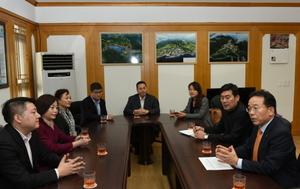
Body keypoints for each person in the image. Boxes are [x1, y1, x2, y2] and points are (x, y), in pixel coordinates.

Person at [215, 90, 300, 189]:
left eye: (256, 108)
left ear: (271, 111)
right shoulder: (258, 125)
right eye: (249, 109)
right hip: (260, 176)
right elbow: (248, 147)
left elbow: (269, 167)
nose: (251, 113)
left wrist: (237, 161)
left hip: (278, 183)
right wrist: (228, 152)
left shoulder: (281, 133)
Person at [0, 97, 86, 189]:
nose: (38, 115)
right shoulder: (4, 144)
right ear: (18, 118)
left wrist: (65, 163)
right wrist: (58, 172)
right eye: (33, 112)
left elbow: (44, 155)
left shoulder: (31, 132)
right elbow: (23, 180)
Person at [123, 81, 160, 155]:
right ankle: (137, 147)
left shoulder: (152, 98)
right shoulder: (132, 99)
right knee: (133, 134)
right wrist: (135, 111)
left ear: (146, 88)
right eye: (140, 89)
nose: (142, 90)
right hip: (136, 123)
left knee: (152, 133)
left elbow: (157, 110)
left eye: (144, 88)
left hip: (150, 124)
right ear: (137, 90)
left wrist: (147, 111)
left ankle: (147, 147)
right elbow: (126, 110)